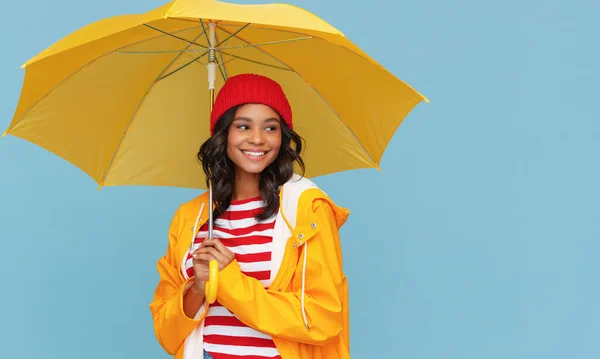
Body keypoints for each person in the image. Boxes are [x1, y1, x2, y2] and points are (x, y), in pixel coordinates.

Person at [149, 74, 350, 359]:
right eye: (243, 126)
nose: (257, 139)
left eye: (271, 128)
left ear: (283, 137)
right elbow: (166, 333)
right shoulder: (191, 218)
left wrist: (229, 281)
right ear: (223, 135)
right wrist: (198, 287)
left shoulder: (308, 209)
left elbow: (322, 319)